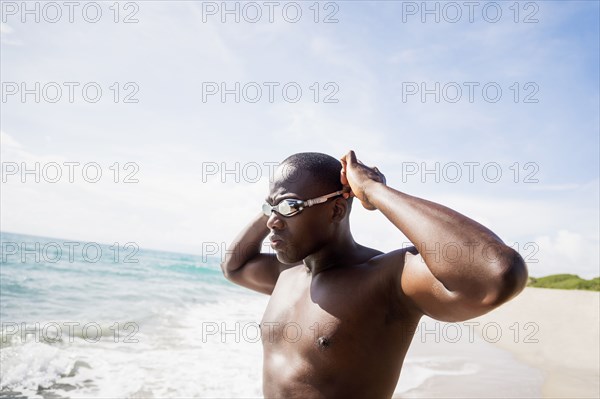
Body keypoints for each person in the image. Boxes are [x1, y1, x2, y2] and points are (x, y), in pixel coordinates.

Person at [221, 150, 528, 398]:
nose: (273, 222)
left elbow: (495, 275)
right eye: (268, 209)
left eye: (290, 207)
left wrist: (373, 190)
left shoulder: (385, 279)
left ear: (337, 211)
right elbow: (233, 266)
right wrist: (277, 204)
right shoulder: (286, 276)